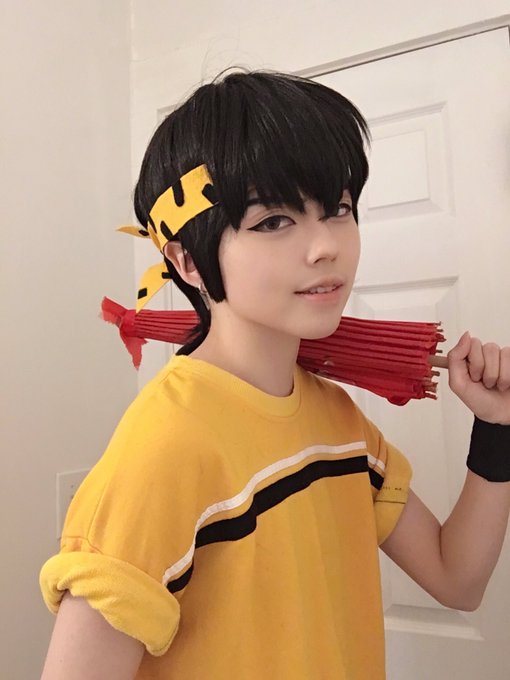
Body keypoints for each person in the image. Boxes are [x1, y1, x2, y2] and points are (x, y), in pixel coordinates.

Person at [39, 69, 510, 680]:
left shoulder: (338, 420)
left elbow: (457, 578)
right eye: (273, 221)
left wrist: (497, 427)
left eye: (338, 209)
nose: (326, 246)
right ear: (187, 260)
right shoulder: (163, 449)